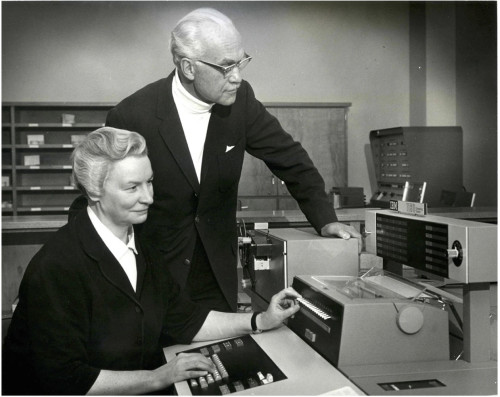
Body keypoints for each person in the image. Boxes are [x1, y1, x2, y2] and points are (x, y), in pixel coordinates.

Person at [2, 127, 301, 395]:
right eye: (132, 187)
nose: (148, 197)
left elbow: (186, 319)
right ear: (94, 190)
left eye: (150, 182)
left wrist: (261, 320)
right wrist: (159, 377)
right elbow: (65, 379)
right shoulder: (56, 266)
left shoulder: (143, 244)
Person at [105, 7, 362, 313]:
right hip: (153, 275)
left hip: (215, 275)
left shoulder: (240, 101)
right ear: (188, 67)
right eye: (226, 67)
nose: (238, 77)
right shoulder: (131, 114)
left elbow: (290, 158)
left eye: (241, 62)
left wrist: (326, 219)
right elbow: (106, 202)